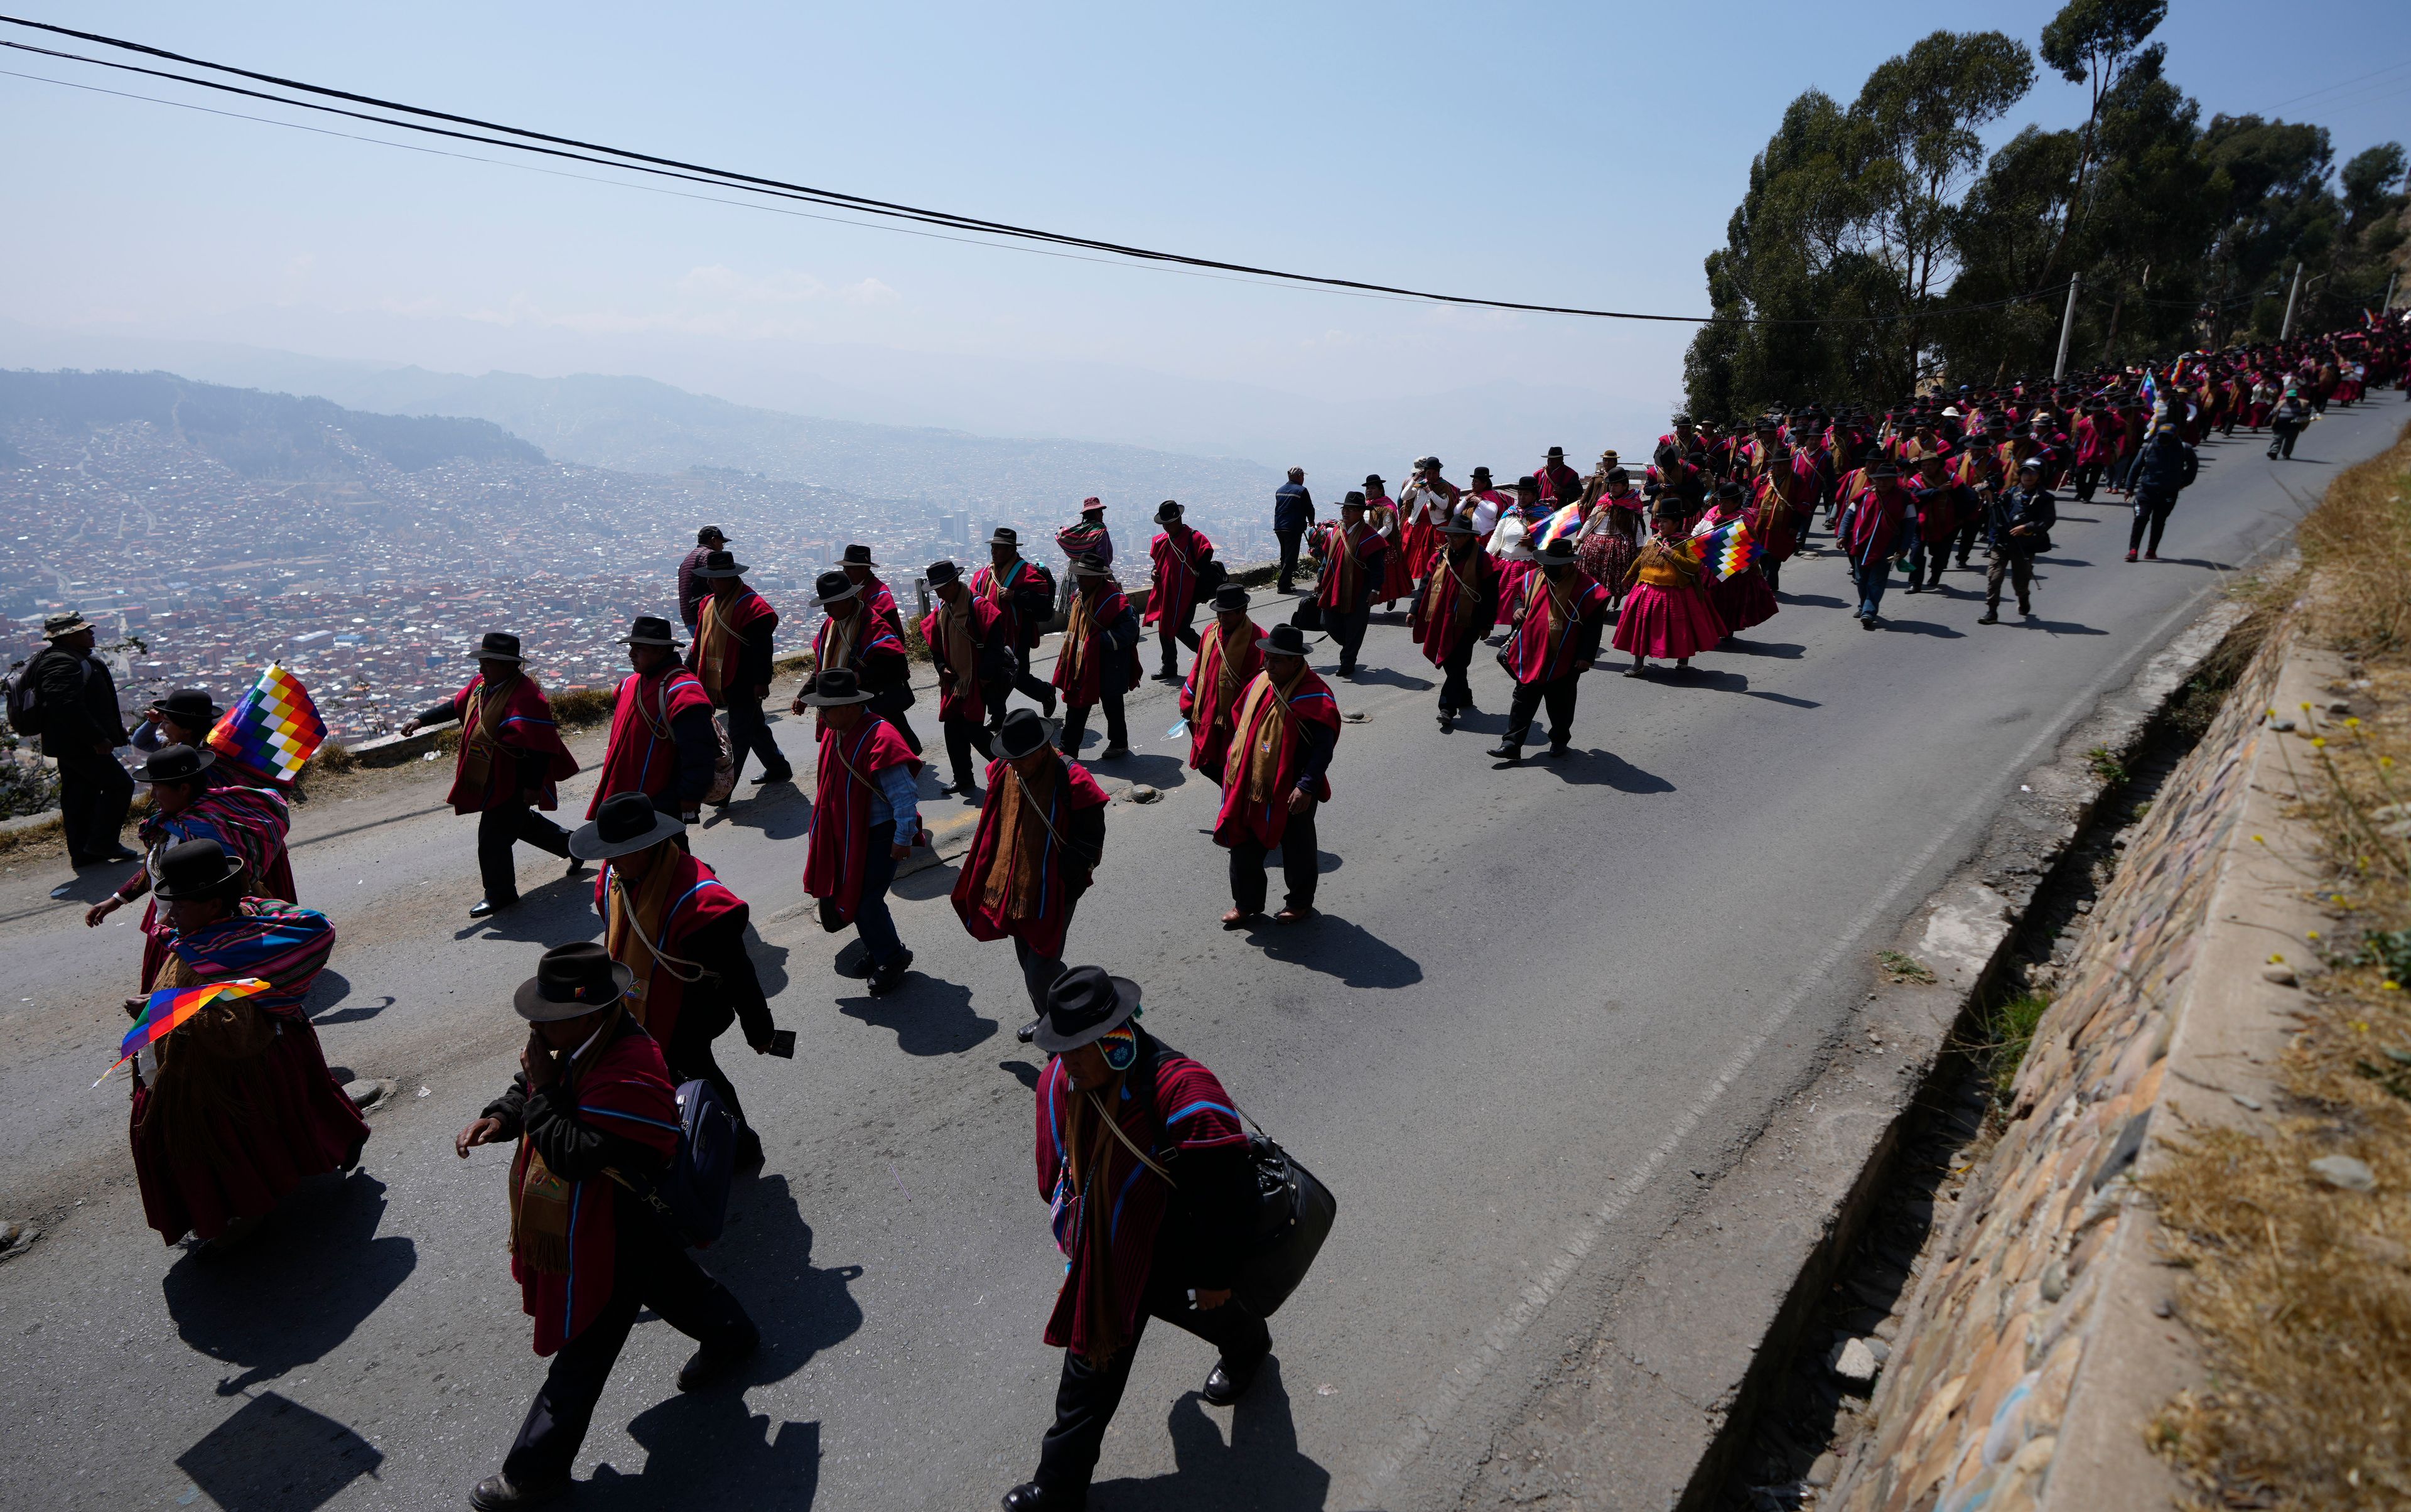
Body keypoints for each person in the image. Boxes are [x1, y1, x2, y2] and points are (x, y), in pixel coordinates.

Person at [458, 942, 758, 1512]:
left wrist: (544, 1091)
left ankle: (533, 1471)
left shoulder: (631, 1066)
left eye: (549, 1020)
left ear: (591, 1015)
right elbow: (532, 1081)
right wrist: (500, 1115)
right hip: (621, 1222)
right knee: (671, 1283)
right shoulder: (574, 1043)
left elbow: (573, 1151)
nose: (538, 1032)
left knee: (585, 1349)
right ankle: (732, 1336)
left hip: (618, 1224)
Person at [1000, 966, 1269, 1511]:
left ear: (1119, 1041)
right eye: (1061, 1048)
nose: (1066, 1063)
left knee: (1199, 1310)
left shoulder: (1184, 1091)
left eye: (1079, 1050)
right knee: (1092, 1376)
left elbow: (1230, 1199)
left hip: (1179, 1249)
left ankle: (1248, 1348)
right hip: (1115, 1253)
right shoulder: (1063, 1079)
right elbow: (1055, 1169)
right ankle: (1058, 1490)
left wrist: (1214, 1277)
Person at [126, 838, 365, 1248]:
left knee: (230, 1147)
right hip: (274, 1050)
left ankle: (248, 1214)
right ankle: (338, 1143)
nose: (170, 914)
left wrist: (164, 1012)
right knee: (299, 1111)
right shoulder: (230, 925)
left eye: (180, 905)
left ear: (214, 906)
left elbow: (231, 1029)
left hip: (234, 1070)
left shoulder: (234, 950)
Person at [571, 793, 777, 1172]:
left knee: (696, 1067)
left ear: (648, 846)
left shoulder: (701, 901)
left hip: (693, 1009)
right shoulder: (614, 877)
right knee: (662, 1074)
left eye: (619, 851)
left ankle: (741, 1144)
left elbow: (738, 970)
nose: (609, 860)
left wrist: (760, 1030)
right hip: (638, 999)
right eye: (607, 851)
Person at [951, 709, 1109, 1044]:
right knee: (1028, 956)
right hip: (1018, 884)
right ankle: (1055, 1018)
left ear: (1042, 749)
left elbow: (1090, 840)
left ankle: (1074, 1023)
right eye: (1011, 758)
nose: (1015, 765)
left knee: (1040, 965)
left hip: (1057, 886)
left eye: (1021, 758)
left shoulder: (1073, 778)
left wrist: (1067, 880)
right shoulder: (1006, 772)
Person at [86, 743, 294, 991]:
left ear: (183, 788)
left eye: (157, 787)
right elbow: (159, 866)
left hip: (196, 941)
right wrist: (117, 900)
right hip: (174, 926)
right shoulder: (179, 824)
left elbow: (204, 895)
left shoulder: (202, 835)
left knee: (180, 1012)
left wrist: (164, 927)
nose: (152, 796)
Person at [404, 634, 581, 919]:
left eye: (487, 663)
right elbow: (456, 706)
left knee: (492, 837)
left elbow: (539, 748)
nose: (481, 669)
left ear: (508, 665)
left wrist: (532, 788)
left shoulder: (527, 698)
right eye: (481, 662)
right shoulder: (482, 687)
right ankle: (574, 845)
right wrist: (421, 719)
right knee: (520, 824)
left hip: (514, 779)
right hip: (489, 774)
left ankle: (501, 894)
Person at [798, 669, 924, 997]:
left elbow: (905, 795)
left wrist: (902, 839)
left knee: (866, 900)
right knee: (852, 894)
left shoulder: (881, 737)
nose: (820, 715)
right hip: (850, 835)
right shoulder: (836, 732)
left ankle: (892, 957)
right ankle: (879, 947)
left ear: (850, 705)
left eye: (825, 708)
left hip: (880, 836)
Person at [1214, 623, 1340, 927]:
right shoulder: (1261, 682)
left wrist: (1306, 786)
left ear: (1296, 661)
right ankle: (1246, 904)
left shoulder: (1315, 696)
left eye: (1276, 660)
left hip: (1293, 787)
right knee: (1243, 843)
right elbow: (1239, 718)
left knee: (1297, 847)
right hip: (1251, 782)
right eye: (1267, 659)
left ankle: (1299, 902)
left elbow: (1323, 749)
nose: (1268, 665)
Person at [1486, 537, 1612, 763]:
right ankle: (1511, 744)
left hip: (1566, 657)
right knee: (1523, 699)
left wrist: (1586, 657)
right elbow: (1518, 596)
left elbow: (1594, 627)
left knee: (1560, 704)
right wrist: (1517, 610)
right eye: (1547, 565)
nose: (1549, 570)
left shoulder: (1587, 588)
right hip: (1531, 652)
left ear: (1568, 564)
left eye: (1555, 566)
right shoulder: (1535, 578)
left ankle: (1560, 740)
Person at [29, 612, 137, 870]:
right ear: (68, 636)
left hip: (72, 743)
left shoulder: (67, 658)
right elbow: (65, 706)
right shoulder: (61, 663)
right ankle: (103, 842)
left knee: (79, 796)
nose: (91, 633)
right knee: (120, 786)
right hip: (80, 744)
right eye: (84, 630)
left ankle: (83, 853)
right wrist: (97, 737)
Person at [588, 617, 718, 824]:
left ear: (661, 651)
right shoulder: (629, 685)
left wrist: (691, 794)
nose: (631, 654)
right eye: (632, 648)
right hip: (630, 791)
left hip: (663, 793)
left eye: (639, 648)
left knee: (666, 851)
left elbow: (698, 749)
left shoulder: (683, 690)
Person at [687, 549, 796, 785]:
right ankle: (778, 768)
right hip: (721, 678)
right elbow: (700, 644)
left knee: (738, 734)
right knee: (754, 727)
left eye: (714, 578)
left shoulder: (754, 608)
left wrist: (761, 682)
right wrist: (689, 673)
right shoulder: (707, 604)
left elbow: (762, 649)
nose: (709, 582)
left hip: (744, 682)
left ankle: (725, 789)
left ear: (729, 578)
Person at [797, 570, 915, 752]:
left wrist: (860, 676)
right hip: (845, 706)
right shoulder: (829, 627)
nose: (825, 610)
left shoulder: (873, 625)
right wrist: (803, 695)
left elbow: (897, 665)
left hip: (873, 702)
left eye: (830, 604)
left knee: (884, 749)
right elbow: (823, 669)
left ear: (847, 599)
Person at [920, 559, 1008, 801]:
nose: (938, 592)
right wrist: (941, 668)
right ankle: (963, 777)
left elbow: (996, 644)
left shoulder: (977, 606)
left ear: (954, 582)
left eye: (941, 587)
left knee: (973, 729)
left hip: (976, 681)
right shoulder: (942, 610)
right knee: (952, 728)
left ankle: (1007, 767)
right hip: (955, 682)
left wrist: (984, 676)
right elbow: (935, 646)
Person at [1612, 502, 1724, 677]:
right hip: (1646, 591)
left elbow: (1694, 566)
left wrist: (1673, 555)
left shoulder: (1687, 542)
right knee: (1641, 629)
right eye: (1660, 521)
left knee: (1681, 629)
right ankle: (1638, 663)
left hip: (1676, 593)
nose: (1660, 524)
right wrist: (1629, 575)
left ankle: (1683, 656)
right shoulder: (1654, 540)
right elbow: (1641, 559)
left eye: (1665, 521)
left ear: (1676, 524)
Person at [1411, 516, 1501, 731]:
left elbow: (1491, 595)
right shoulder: (1441, 556)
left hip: (1468, 620)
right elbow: (1426, 583)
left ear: (1469, 537)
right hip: (1442, 618)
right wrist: (1414, 610)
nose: (1452, 540)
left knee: (1458, 662)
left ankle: (1447, 708)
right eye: (1450, 535)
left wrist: (1487, 624)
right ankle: (1465, 695)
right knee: (1454, 664)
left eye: (1457, 536)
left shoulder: (1482, 559)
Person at [1053, 554, 1142, 762]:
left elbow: (1128, 631)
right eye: (1079, 576)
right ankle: (1069, 749)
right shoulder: (1079, 595)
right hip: (1083, 662)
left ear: (1097, 578)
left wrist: (1096, 641)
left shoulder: (1115, 601)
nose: (1080, 580)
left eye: (1085, 577)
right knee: (1077, 704)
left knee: (1112, 704)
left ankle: (1119, 743)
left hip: (1110, 663)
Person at [971, 528, 1061, 722]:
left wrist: (1016, 596)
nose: (994, 552)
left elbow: (1042, 599)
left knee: (1016, 676)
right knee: (992, 675)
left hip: (1018, 635)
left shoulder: (1025, 571)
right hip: (991, 635)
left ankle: (1045, 692)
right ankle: (998, 717)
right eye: (993, 547)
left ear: (1011, 550)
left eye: (999, 548)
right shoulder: (985, 573)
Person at [1179, 583, 1266, 779]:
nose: (1222, 618)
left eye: (1228, 614)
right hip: (1207, 713)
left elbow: (1260, 688)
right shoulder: (1211, 633)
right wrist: (1188, 699)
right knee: (1207, 763)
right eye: (1219, 613)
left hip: (1233, 718)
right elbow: (1198, 668)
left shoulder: (1259, 642)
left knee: (1231, 768)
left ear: (1242, 611)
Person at [1315, 492, 1388, 679]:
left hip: (1360, 588)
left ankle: (1347, 662)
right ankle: (1349, 646)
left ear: (1360, 512)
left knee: (1355, 626)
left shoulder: (1370, 538)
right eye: (1344, 509)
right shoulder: (1335, 532)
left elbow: (1378, 568)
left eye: (1351, 509)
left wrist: (1375, 590)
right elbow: (1326, 559)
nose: (1346, 512)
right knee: (1327, 621)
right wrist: (1319, 579)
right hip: (1333, 585)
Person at [1835, 465, 1915, 629]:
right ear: (1874, 480)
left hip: (1887, 548)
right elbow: (1849, 515)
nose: (1883, 482)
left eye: (1887, 479)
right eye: (1880, 479)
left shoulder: (1905, 498)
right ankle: (1864, 605)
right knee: (1860, 580)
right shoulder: (1864, 495)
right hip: (1860, 545)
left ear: (1895, 480)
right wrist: (1843, 535)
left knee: (1876, 581)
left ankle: (1869, 612)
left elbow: (1910, 525)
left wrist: (1904, 546)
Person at [1980, 459, 2058, 625]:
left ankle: (2023, 598)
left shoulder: (2045, 498)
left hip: (2025, 545)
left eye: (2033, 473)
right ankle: (1992, 612)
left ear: (2040, 476)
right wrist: (1988, 495)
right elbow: (1995, 515)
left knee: (2020, 583)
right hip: (2002, 543)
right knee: (1994, 577)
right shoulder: (2010, 493)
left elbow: (2048, 520)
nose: (2028, 476)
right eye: (2025, 472)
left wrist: (2027, 527)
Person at [1144, 500, 1213, 682]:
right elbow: (1158, 562)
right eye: (1164, 524)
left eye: (1169, 523)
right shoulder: (1161, 542)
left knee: (1181, 629)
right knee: (1164, 627)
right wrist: (1154, 571)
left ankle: (1210, 655)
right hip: (1166, 592)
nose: (1166, 527)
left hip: (1187, 593)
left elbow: (1205, 562)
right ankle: (1169, 665)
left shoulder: (1194, 538)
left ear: (1179, 519)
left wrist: (1202, 590)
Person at [2126, 420, 2200, 561]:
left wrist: (2184, 482)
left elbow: (2193, 468)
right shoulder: (2148, 448)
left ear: (2174, 435)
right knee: (2141, 518)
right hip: (2146, 491)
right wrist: (2129, 488)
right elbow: (2135, 468)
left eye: (2167, 436)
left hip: (2168, 493)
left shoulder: (2185, 449)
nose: (2163, 438)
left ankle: (2151, 550)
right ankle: (2133, 550)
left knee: (2159, 521)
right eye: (2161, 435)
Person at [839, 543, 910, 647]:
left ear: (865, 569)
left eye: (850, 568)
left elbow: (884, 629)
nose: (845, 572)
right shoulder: (852, 590)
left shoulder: (880, 594)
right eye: (844, 568)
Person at [676, 525, 730, 631]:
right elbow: (719, 584)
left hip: (690, 617)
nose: (723, 547)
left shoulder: (689, 558)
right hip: (704, 616)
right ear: (714, 540)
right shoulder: (710, 557)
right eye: (722, 543)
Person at [1273, 468, 1313, 593]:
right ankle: (1283, 586)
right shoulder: (1301, 491)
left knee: (1285, 555)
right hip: (1293, 528)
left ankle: (1287, 580)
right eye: (1303, 476)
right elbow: (1309, 508)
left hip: (1279, 527)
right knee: (1291, 557)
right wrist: (1311, 521)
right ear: (1299, 476)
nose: (1303, 479)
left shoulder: (1279, 491)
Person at [1056, 498, 1114, 571]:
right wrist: (1107, 574)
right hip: (1094, 572)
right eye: (1101, 511)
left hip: (1075, 572)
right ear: (1096, 513)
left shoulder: (1078, 531)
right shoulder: (1100, 531)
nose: (1102, 514)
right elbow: (1103, 556)